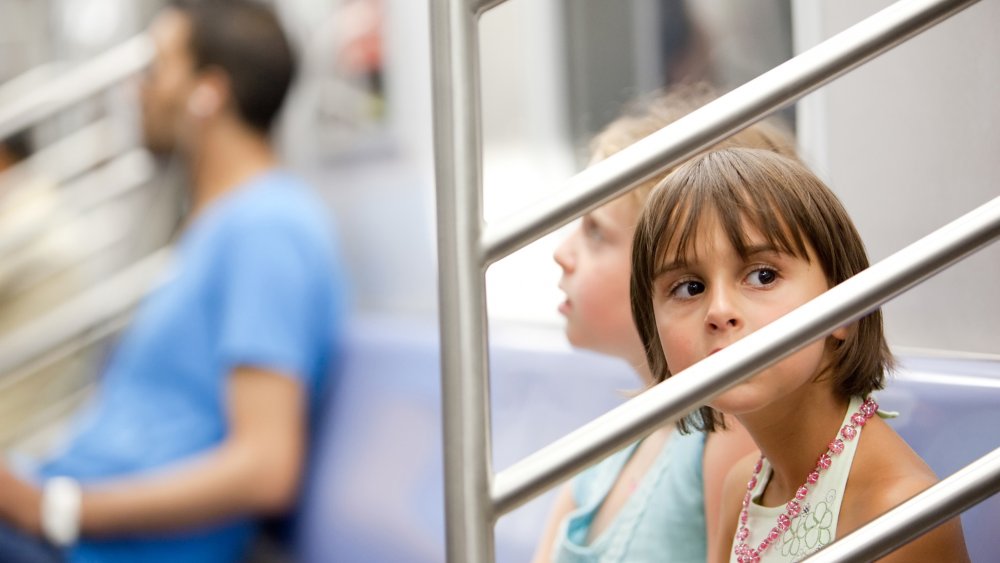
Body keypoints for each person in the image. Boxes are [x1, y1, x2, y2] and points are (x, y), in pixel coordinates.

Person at [0, 1, 347, 562]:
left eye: (157, 68)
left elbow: (266, 466)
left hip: (94, 546)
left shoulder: (269, 227)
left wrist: (55, 508)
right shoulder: (214, 227)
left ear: (208, 92)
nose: (137, 90)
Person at [629, 147, 969, 562]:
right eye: (690, 287)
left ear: (845, 307)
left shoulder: (896, 512)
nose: (719, 312)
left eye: (762, 275)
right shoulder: (744, 486)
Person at [534, 85, 799, 563]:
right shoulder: (614, 445)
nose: (561, 252)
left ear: (673, 270)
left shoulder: (729, 434)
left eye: (595, 231)